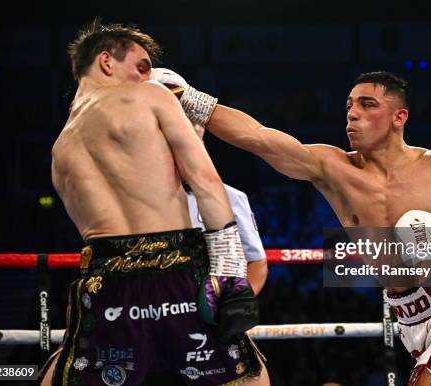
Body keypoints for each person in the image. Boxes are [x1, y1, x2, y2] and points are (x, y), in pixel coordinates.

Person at [151, 68, 431, 386]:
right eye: (349, 106)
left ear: (399, 117)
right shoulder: (332, 169)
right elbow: (259, 138)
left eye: (368, 105)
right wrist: (187, 96)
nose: (352, 114)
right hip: (410, 315)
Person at [40, 21, 269, 386]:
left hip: (104, 281)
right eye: (142, 66)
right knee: (249, 377)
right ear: (106, 61)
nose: (146, 77)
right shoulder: (150, 96)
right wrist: (228, 269)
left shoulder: (60, 148)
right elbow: (206, 182)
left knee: (62, 373)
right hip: (174, 270)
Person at [185, 123, 268, 295]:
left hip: (209, 303)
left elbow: (256, 262)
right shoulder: (144, 197)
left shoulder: (232, 197)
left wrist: (236, 306)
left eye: (194, 147)